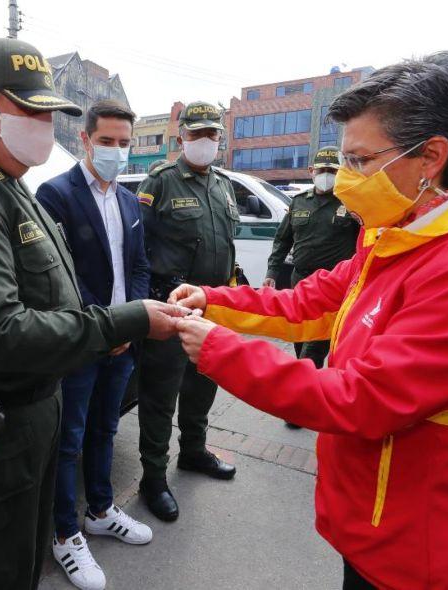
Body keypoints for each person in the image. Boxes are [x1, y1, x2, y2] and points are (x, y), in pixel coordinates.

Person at [170, 52, 448, 589]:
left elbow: (360, 400)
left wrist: (218, 348)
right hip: (370, 520)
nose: (345, 179)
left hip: (420, 549)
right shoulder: (399, 233)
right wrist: (212, 301)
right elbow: (311, 303)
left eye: (361, 161)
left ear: (431, 156)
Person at [0, 38, 187, 590]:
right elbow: (1, 333)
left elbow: (53, 294)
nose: (45, 125)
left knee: (21, 568)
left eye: (50, 112)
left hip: (20, 422)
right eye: (32, 110)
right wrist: (128, 320)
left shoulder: (5, 181)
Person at [35, 99, 153, 590]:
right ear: (84, 140)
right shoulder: (55, 194)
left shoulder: (128, 200)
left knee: (106, 429)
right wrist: (103, 326)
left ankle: (101, 510)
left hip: (122, 342)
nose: (116, 152)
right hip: (82, 341)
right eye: (106, 142)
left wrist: (129, 324)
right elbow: (56, 277)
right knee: (70, 439)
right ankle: (65, 534)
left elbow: (140, 267)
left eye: (124, 144)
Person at [135, 100, 240, 522]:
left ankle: (193, 452)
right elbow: (138, 251)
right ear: (181, 138)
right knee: (160, 396)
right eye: (196, 134)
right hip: (172, 310)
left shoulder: (222, 185)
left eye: (212, 134)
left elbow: (225, 246)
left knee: (202, 388)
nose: (204, 141)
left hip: (211, 310)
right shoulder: (160, 181)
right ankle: (153, 479)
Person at [264, 146, 358, 428]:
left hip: (334, 287)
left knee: (313, 349)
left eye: (332, 171)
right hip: (300, 281)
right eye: (322, 170)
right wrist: (272, 271)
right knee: (299, 338)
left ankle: (300, 404)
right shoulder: (298, 203)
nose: (326, 176)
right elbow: (283, 240)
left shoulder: (351, 203)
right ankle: (313, 388)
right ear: (311, 172)